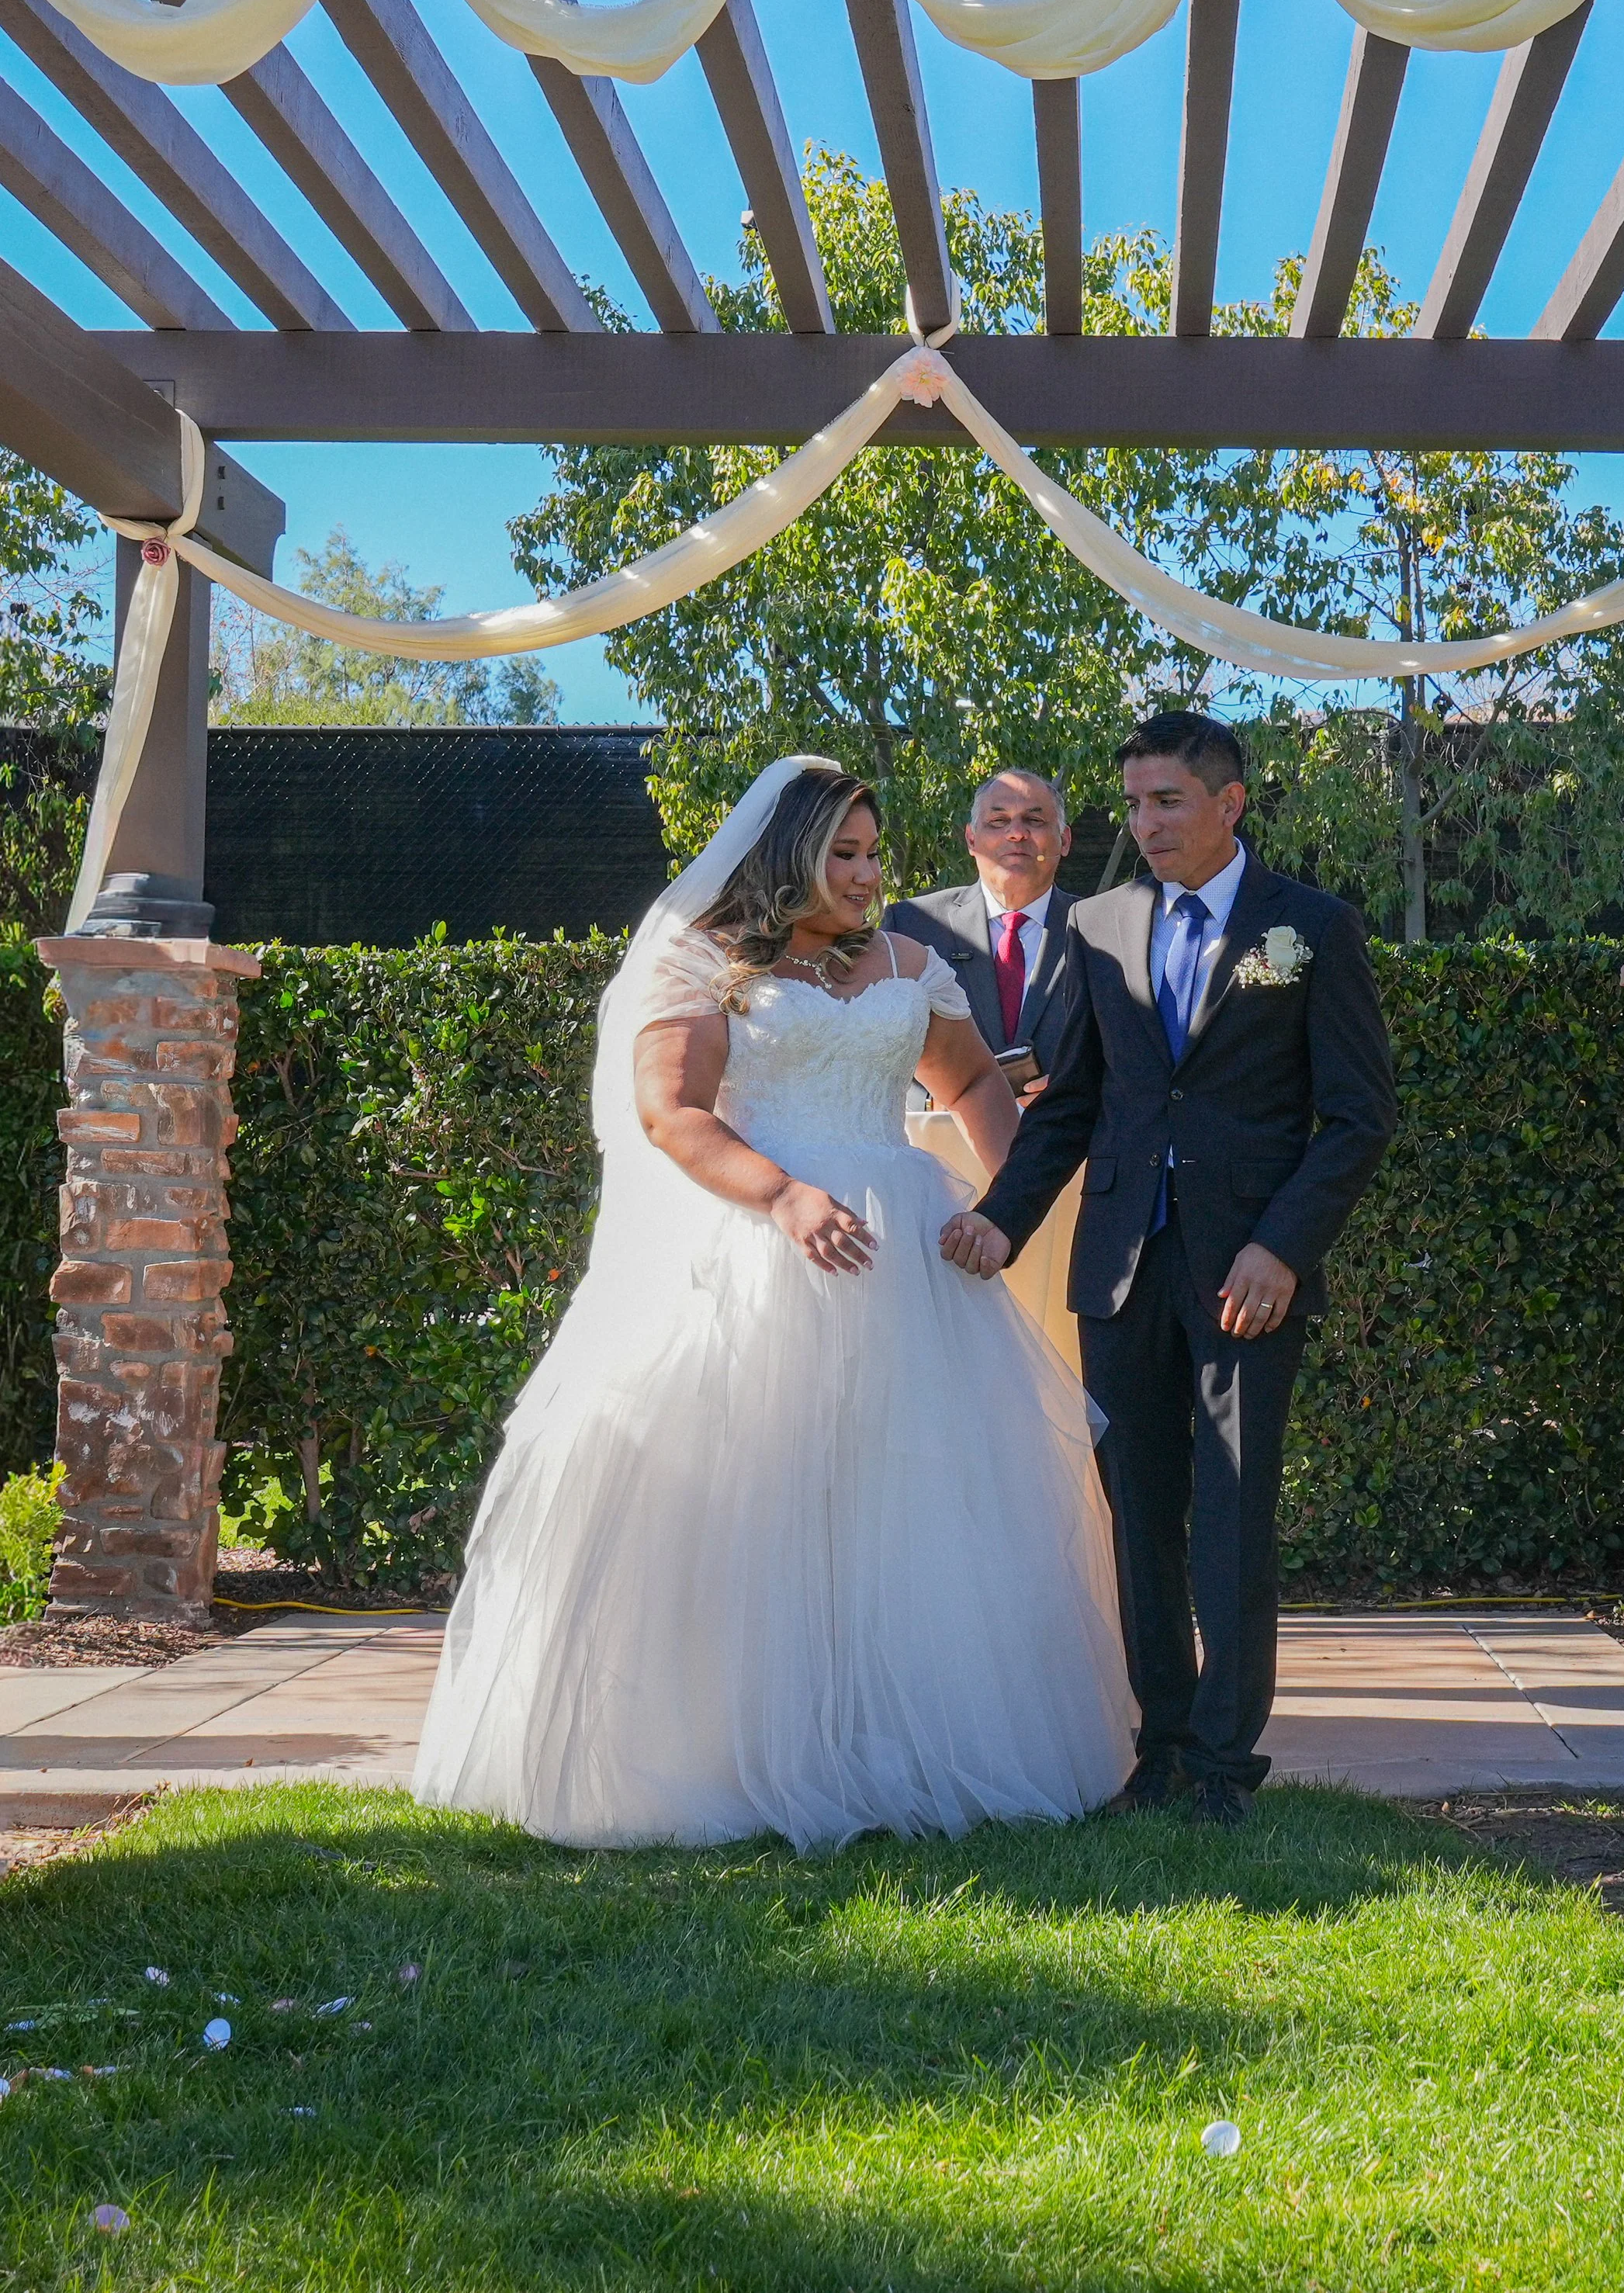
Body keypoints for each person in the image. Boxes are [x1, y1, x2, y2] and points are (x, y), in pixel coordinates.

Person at [413, 756, 1133, 1851]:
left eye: (872, 851)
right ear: (784, 853)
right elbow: (672, 1111)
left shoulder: (906, 960)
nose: (863, 872)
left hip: (904, 1264)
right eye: (841, 852)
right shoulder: (707, 963)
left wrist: (1008, 1207)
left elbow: (977, 1082)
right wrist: (785, 1195)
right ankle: (739, 1747)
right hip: (755, 1245)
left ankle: (896, 1739)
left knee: (911, 1501)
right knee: (763, 1497)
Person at [941, 712, 1396, 1827]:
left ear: (1229, 801)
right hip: (1119, 1267)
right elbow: (1076, 1102)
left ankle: (1227, 1769)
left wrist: (1281, 1243)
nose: (1143, 824)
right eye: (1135, 803)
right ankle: (1164, 1748)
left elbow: (1357, 1116)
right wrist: (1003, 1216)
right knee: (1138, 1512)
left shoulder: (1312, 928)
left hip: (1247, 1273)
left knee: (1233, 1511)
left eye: (1167, 801)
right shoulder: (1096, 925)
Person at [886, 768, 1079, 1088]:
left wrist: (1072, 1095)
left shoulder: (1101, 930)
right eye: (998, 822)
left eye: (1034, 820)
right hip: (940, 1133)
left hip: (1063, 1133)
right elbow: (880, 1054)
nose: (1016, 834)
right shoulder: (911, 926)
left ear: (1065, 840)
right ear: (971, 839)